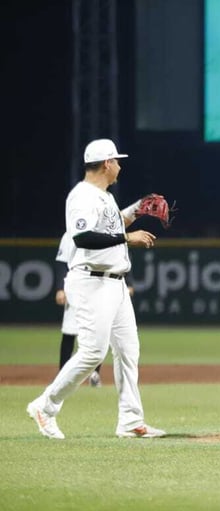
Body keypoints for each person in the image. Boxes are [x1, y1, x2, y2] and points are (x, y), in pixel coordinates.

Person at [27, 138, 165, 439]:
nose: (119, 165)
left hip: (114, 283)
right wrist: (129, 238)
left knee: (128, 351)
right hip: (91, 282)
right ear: (106, 164)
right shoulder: (83, 196)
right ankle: (45, 405)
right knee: (92, 352)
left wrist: (138, 208)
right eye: (116, 161)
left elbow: (112, 227)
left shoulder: (104, 196)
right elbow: (84, 238)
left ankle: (130, 421)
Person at [55, 232, 136, 388]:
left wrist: (129, 282)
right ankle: (62, 374)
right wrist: (60, 288)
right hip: (78, 284)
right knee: (70, 331)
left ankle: (94, 374)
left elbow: (122, 258)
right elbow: (61, 262)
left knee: (100, 332)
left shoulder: (108, 232)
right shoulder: (71, 233)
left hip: (103, 287)